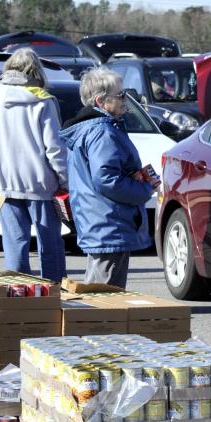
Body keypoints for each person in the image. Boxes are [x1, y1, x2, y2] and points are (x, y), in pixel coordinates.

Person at [0, 48, 67, 282]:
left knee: (15, 244)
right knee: (50, 246)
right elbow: (54, 147)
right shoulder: (42, 99)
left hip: (2, 182)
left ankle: (18, 300)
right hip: (41, 184)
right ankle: (55, 296)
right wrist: (64, 179)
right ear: (35, 70)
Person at [62, 67, 156, 287]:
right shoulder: (101, 132)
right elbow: (106, 179)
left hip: (103, 220)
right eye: (120, 95)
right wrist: (144, 190)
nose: (125, 99)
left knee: (98, 290)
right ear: (100, 101)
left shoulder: (97, 129)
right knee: (105, 295)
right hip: (108, 222)